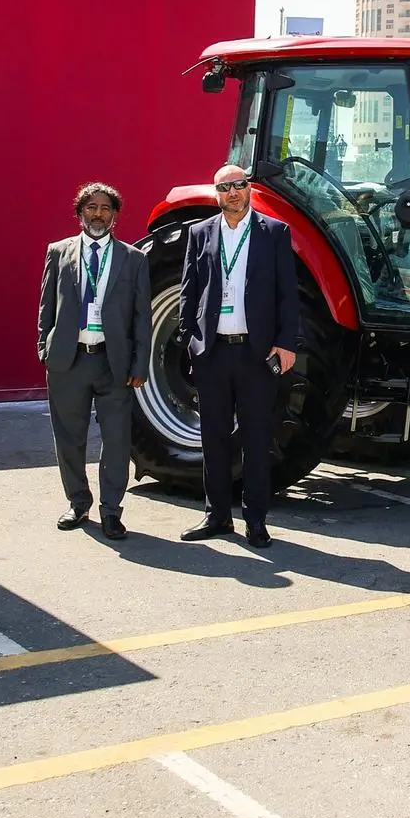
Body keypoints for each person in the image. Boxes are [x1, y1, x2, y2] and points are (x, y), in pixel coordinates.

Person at [178, 165, 299, 548]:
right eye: (224, 187)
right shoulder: (200, 234)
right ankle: (217, 516)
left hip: (255, 352)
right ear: (216, 194)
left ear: (249, 189)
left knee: (256, 437)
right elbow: (188, 292)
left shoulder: (274, 233)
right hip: (213, 352)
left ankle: (256, 519)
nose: (233, 192)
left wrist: (287, 343)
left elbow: (287, 294)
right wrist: (191, 342)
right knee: (213, 438)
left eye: (239, 185)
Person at [37, 182, 152, 538]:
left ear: (115, 215)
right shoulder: (58, 252)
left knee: (116, 441)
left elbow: (141, 319)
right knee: (69, 439)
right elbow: (46, 308)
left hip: (112, 364)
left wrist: (138, 365)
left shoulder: (134, 259)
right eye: (91, 207)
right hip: (68, 362)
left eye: (105, 208)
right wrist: (45, 348)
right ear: (79, 213)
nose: (98, 214)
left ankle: (111, 511)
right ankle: (78, 503)